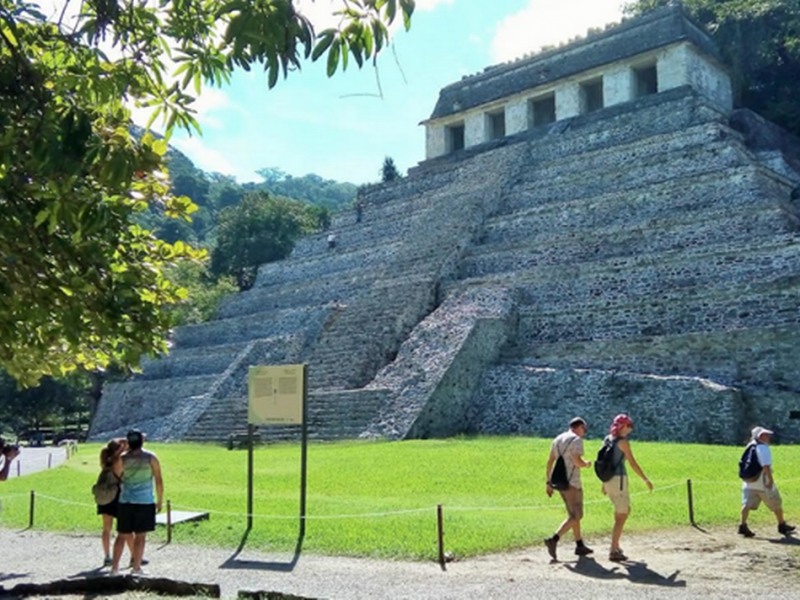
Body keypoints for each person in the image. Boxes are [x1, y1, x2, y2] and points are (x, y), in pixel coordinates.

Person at [601, 414, 653, 562]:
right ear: (623, 426)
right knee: (621, 515)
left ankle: (616, 545)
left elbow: (604, 462)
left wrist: (604, 483)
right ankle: (613, 549)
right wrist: (645, 479)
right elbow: (632, 462)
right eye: (629, 426)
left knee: (624, 510)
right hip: (619, 481)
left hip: (609, 480)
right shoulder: (623, 442)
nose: (630, 429)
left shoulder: (607, 439)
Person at [111, 430, 163, 576]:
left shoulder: (122, 458)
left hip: (126, 500)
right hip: (145, 501)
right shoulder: (151, 457)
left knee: (122, 534)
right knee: (141, 536)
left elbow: (117, 473)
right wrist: (159, 500)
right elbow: (158, 480)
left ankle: (114, 568)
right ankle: (136, 567)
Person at [544, 417, 593, 561]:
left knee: (572, 514)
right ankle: (554, 539)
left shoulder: (557, 439)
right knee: (577, 515)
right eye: (584, 429)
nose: (584, 432)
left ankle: (579, 545)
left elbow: (550, 462)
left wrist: (548, 482)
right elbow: (577, 461)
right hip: (572, 482)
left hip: (559, 482)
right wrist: (587, 464)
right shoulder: (576, 441)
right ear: (579, 427)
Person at [739, 426, 795, 538]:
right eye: (765, 435)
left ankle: (742, 525)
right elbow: (766, 466)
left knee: (747, 504)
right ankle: (781, 525)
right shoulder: (763, 448)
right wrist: (770, 480)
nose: (768, 437)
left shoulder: (750, 446)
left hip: (749, 481)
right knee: (776, 502)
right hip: (762, 481)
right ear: (759, 436)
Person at [97, 439, 133, 567]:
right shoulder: (118, 461)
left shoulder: (106, 460)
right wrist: (124, 446)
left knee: (106, 528)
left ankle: (107, 556)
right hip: (116, 497)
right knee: (125, 529)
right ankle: (134, 556)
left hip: (104, 497)